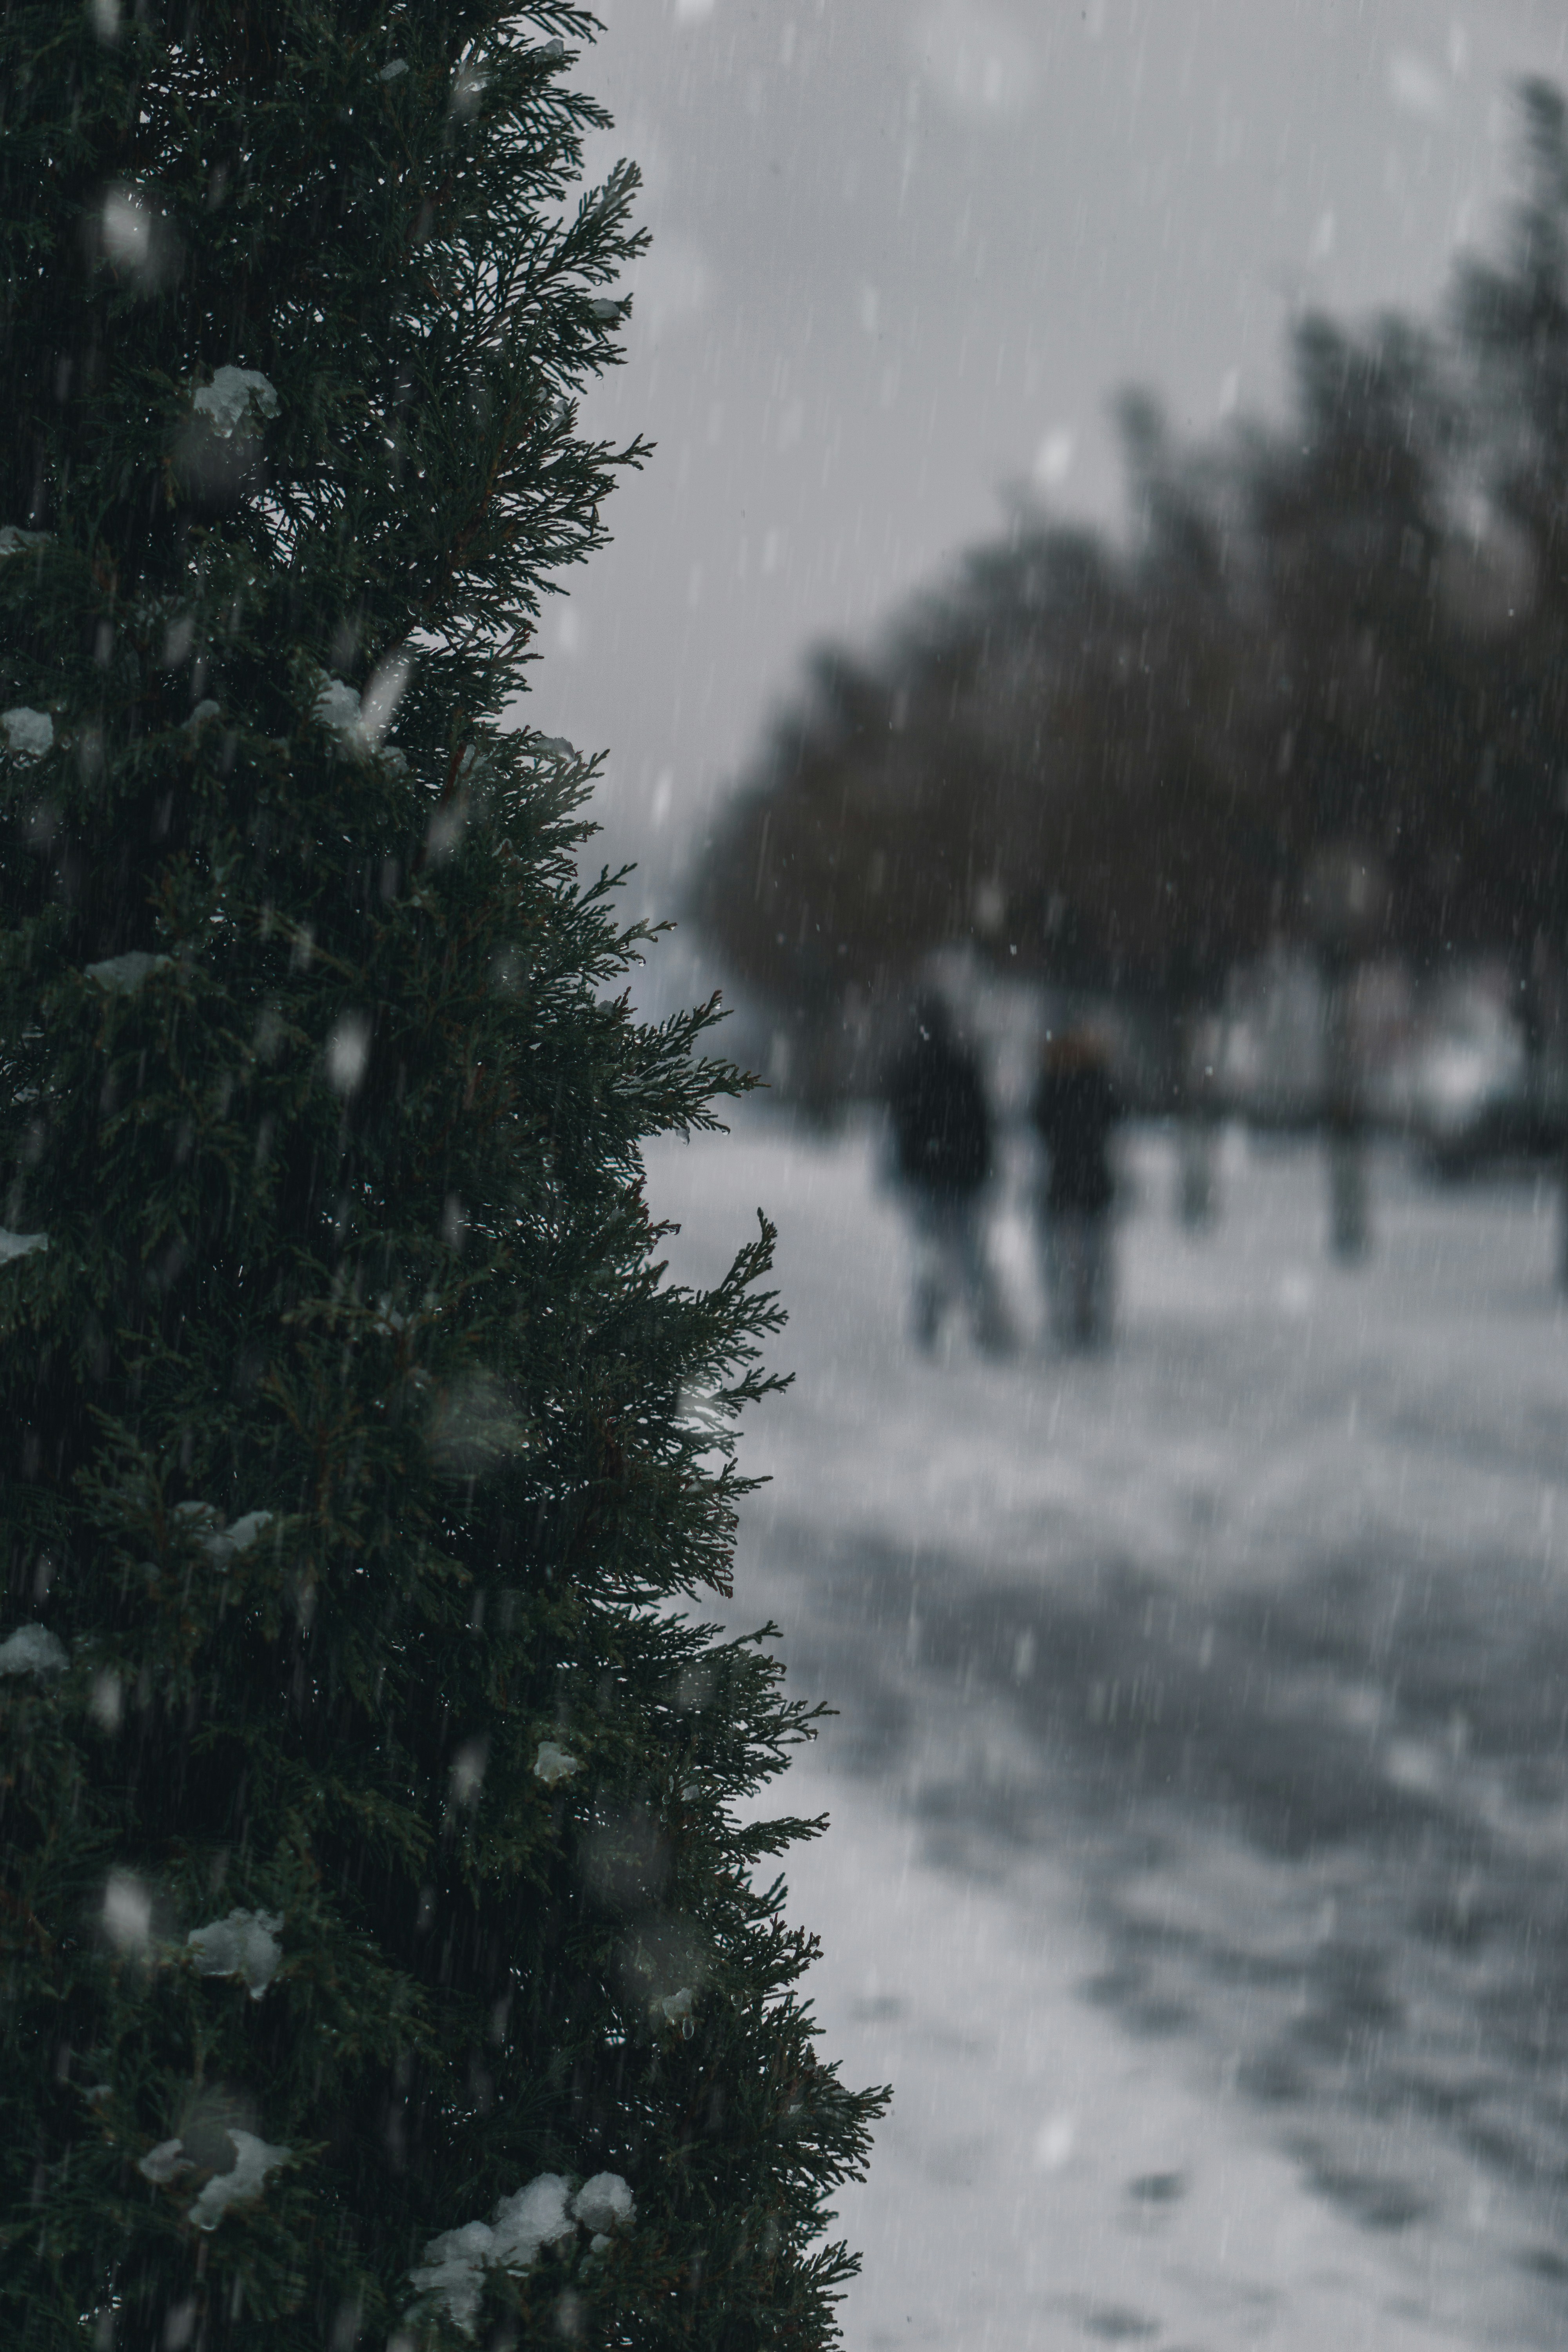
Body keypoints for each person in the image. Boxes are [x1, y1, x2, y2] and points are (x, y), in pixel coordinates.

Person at [884, 995, 1010, 1355]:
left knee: (930, 1256)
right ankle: (986, 1328)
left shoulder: (908, 1068)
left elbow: (900, 1128)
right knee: (971, 1257)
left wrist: (905, 1169)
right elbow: (982, 1124)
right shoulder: (963, 1065)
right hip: (961, 1176)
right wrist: (984, 1167)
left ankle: (929, 1325)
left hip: (928, 1178)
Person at [1031, 1028, 1122, 1349]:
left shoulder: (1052, 1083)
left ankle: (1072, 1313)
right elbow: (1113, 1120)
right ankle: (1088, 1314)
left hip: (1064, 1181)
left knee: (1066, 1253)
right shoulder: (1097, 1082)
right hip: (1092, 1181)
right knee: (1094, 1255)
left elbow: (1040, 1124)